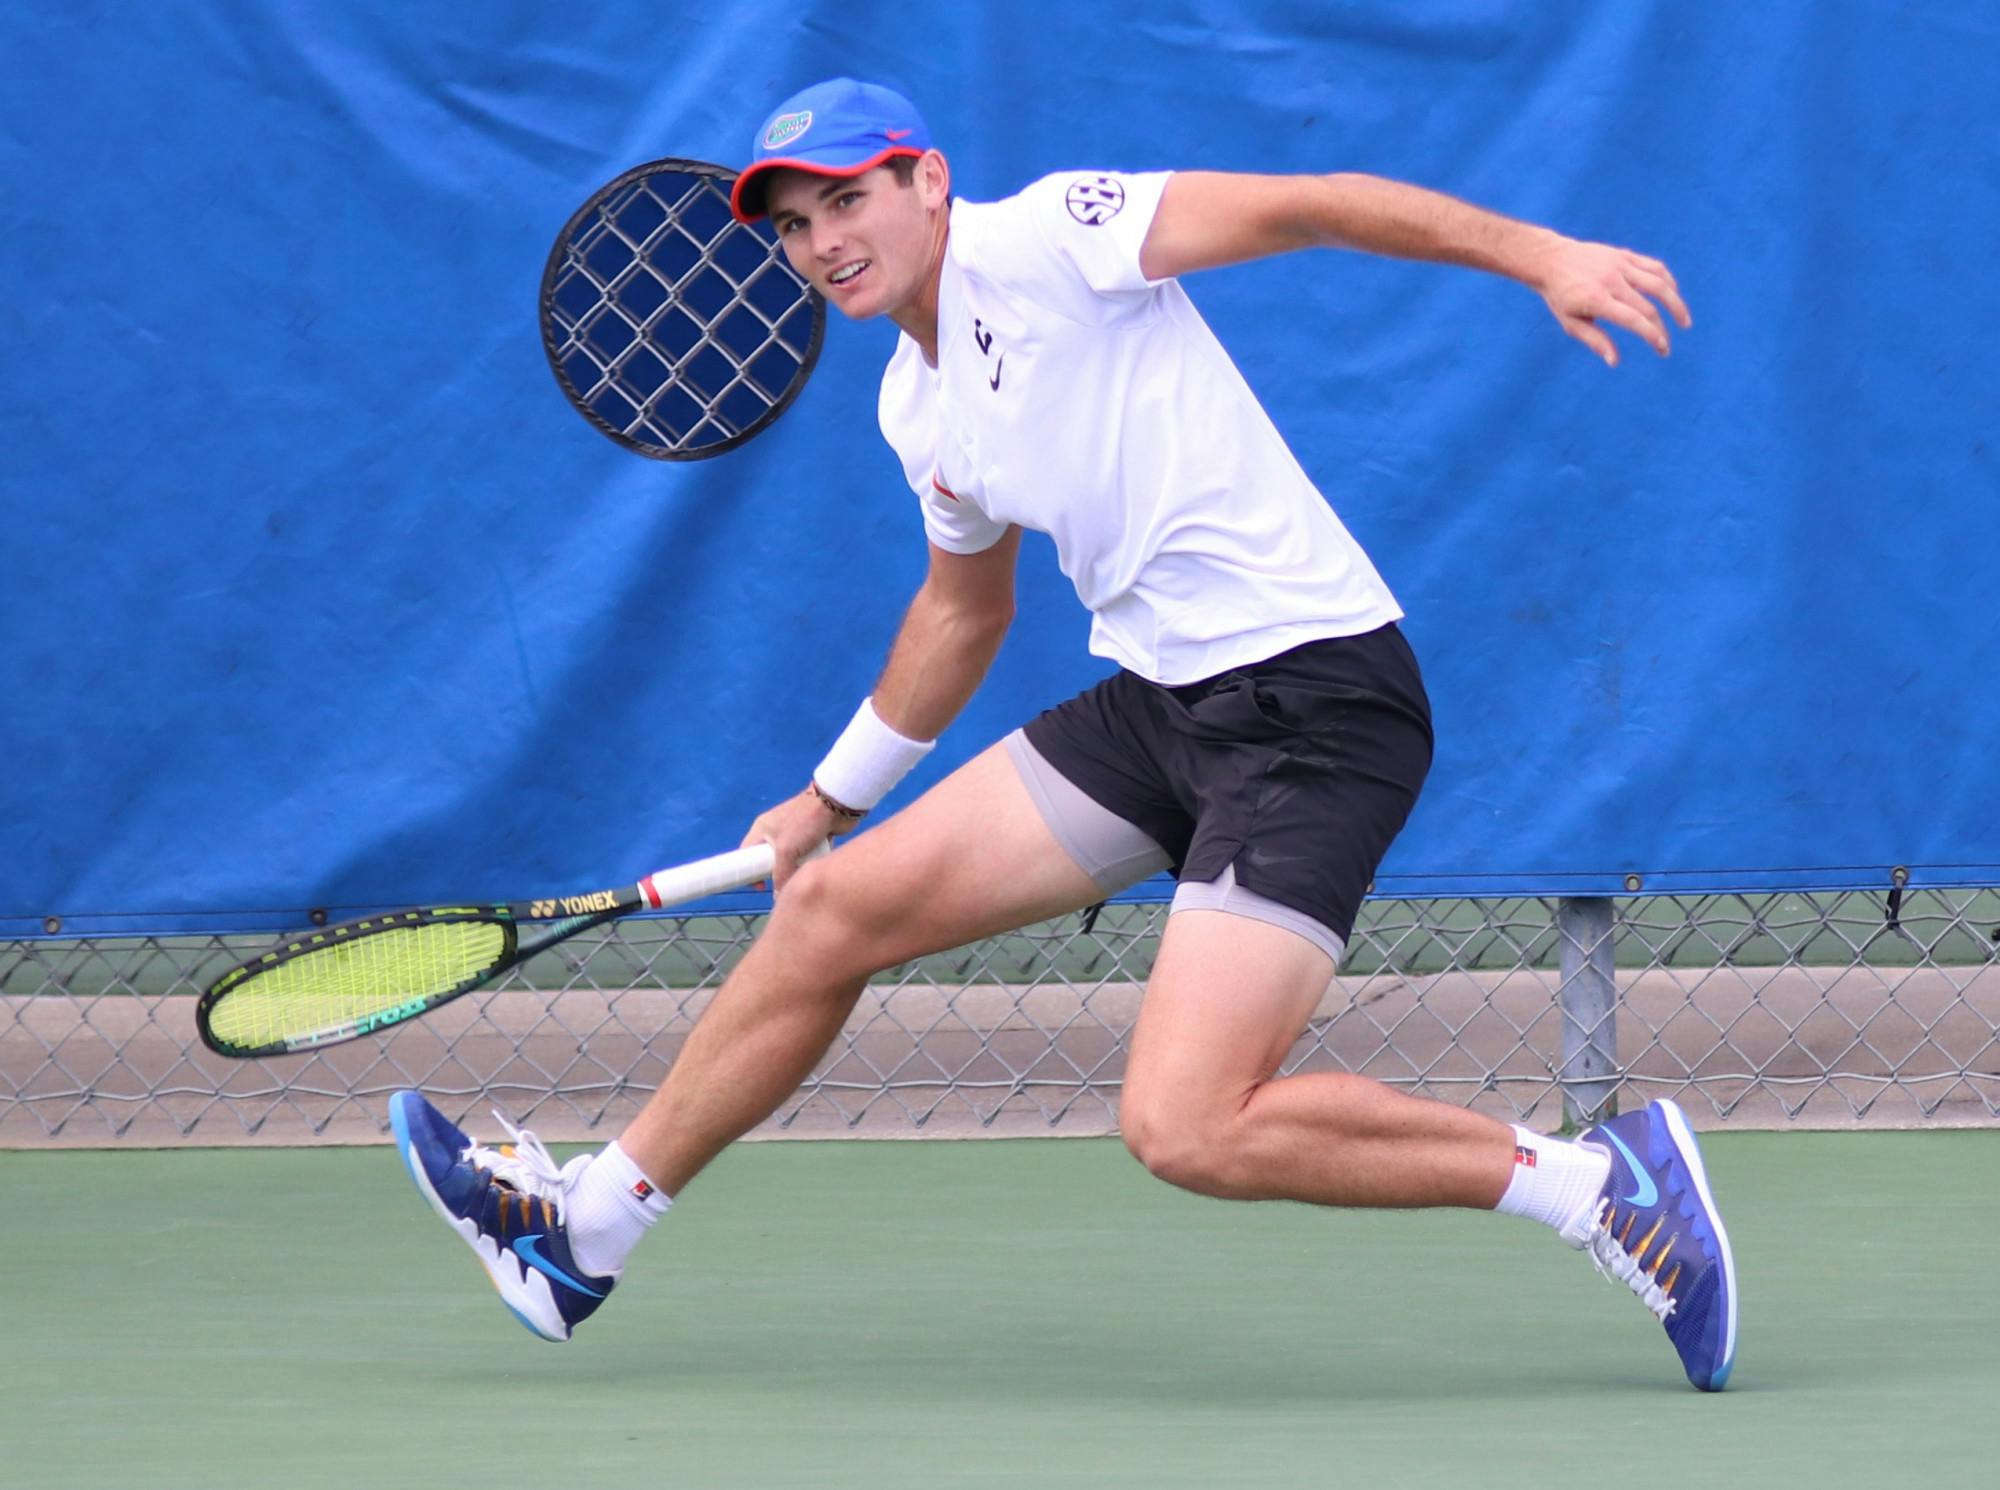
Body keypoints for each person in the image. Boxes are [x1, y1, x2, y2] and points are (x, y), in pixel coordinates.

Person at [389, 76, 1734, 1390]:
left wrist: (1543, 253)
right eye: (794, 225)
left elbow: (1312, 205)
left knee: (1187, 1122)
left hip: (1314, 704)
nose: (821, 244)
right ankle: (586, 1236)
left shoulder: (1054, 235)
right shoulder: (912, 407)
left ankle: (1603, 1187)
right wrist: (826, 802)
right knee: (829, 910)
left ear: (928, 182)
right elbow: (962, 612)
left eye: (845, 200)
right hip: (1158, 706)